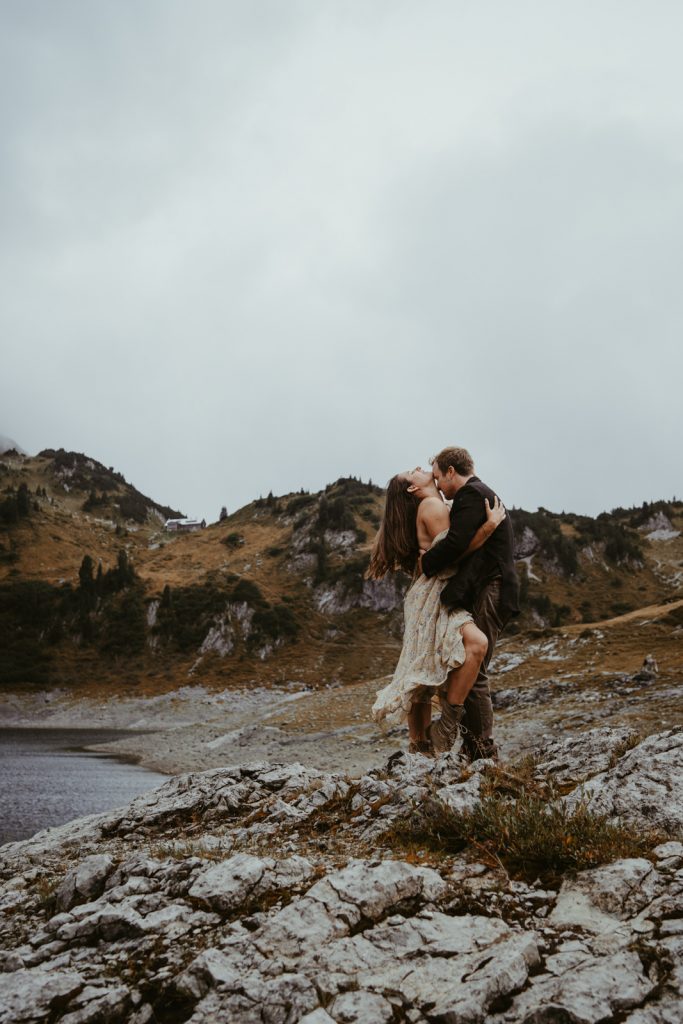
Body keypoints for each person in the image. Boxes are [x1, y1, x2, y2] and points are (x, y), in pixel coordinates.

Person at [368, 466, 506, 756]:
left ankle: (421, 745)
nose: (419, 468)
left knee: (423, 668)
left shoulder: (436, 505)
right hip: (433, 595)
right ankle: (444, 727)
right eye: (412, 471)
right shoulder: (431, 506)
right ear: (412, 489)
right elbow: (453, 552)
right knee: (472, 646)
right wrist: (488, 528)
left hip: (430, 593)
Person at [420, 446, 519, 761]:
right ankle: (476, 746)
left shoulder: (471, 495)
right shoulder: (478, 494)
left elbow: (455, 544)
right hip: (490, 587)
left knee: (473, 668)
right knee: (470, 665)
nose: (438, 485)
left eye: (438, 476)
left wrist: (425, 562)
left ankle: (482, 750)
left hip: (492, 588)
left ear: (451, 471)